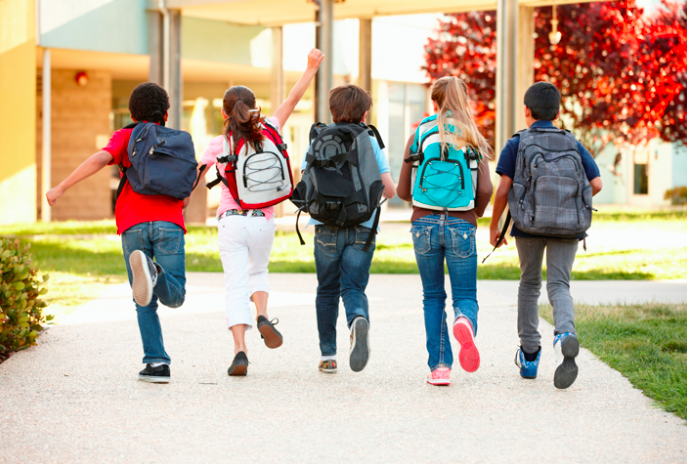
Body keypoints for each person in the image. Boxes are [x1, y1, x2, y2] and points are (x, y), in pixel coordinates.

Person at [46, 82, 190, 383]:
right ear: (165, 113)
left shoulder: (126, 136)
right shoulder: (177, 142)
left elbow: (100, 159)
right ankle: (156, 274)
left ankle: (157, 363)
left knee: (143, 298)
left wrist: (61, 187)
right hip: (169, 223)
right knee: (175, 297)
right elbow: (185, 195)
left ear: (131, 112)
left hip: (133, 224)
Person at [199, 49, 324, 376]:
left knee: (235, 286)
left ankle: (240, 350)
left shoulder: (218, 143)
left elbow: (195, 177)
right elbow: (294, 98)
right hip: (263, 220)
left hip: (231, 221)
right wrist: (310, 67)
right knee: (259, 272)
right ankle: (263, 314)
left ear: (225, 113)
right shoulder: (270, 126)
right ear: (255, 108)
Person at [489, 81, 603, 389]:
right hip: (568, 226)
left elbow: (502, 189)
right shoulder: (572, 143)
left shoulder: (517, 142)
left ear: (526, 111)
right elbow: (597, 184)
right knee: (559, 284)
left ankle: (529, 356)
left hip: (528, 224)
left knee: (529, 284)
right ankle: (564, 335)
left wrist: (494, 226)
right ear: (557, 112)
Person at [397, 76, 493, 386]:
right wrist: (474, 213)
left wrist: (423, 202)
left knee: (432, 296)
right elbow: (487, 188)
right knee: (465, 294)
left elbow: (402, 191)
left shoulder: (420, 132)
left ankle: (440, 367)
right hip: (462, 223)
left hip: (424, 223)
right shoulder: (471, 134)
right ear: (464, 100)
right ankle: (464, 320)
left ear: (434, 101)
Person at [300, 84, 396, 374]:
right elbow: (390, 191)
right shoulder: (369, 139)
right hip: (363, 226)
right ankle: (356, 319)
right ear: (365, 113)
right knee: (353, 287)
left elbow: (305, 183)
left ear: (332, 110)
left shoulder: (318, 137)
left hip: (325, 226)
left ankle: (328, 355)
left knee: (327, 290)